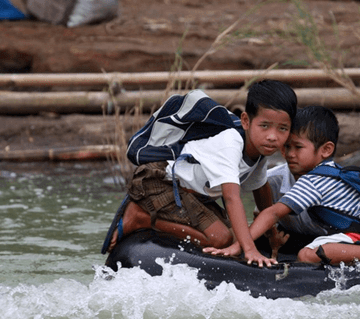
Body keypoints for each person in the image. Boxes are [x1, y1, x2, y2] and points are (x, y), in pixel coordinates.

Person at [104, 79, 297, 267]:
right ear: (246, 121)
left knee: (232, 237)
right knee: (220, 239)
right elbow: (231, 198)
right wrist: (250, 250)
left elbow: (261, 189)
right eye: (264, 126)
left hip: (190, 194)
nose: (273, 137)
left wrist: (271, 233)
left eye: (283, 129)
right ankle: (140, 217)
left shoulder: (260, 149)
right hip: (160, 181)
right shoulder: (231, 143)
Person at [204, 105, 360, 272]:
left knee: (306, 255)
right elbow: (261, 213)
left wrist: (240, 246)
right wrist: (271, 237)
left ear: (326, 150)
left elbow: (273, 213)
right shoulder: (276, 177)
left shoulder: (317, 179)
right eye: (287, 147)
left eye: (298, 148)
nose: (290, 154)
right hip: (340, 234)